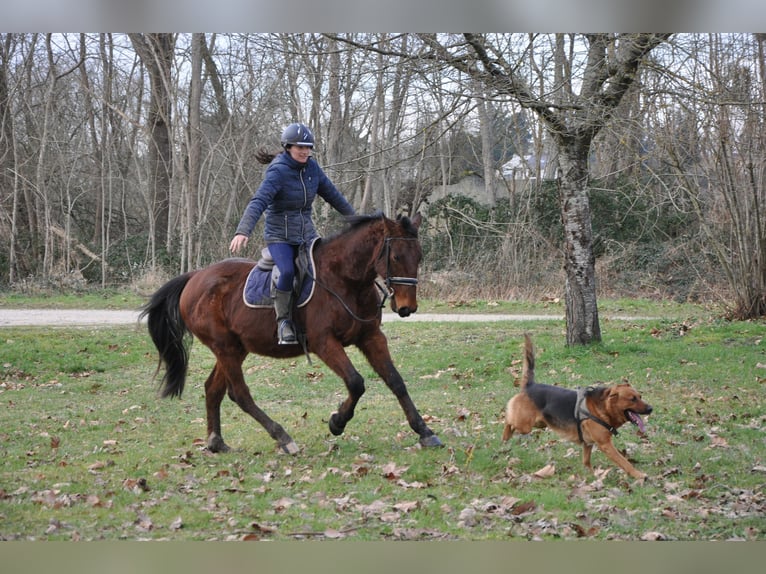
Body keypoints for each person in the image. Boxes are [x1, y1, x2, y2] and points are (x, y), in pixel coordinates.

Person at [229, 122, 356, 344]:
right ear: (288, 147)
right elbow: (259, 201)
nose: (305, 151)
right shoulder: (277, 171)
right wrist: (243, 230)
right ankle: (284, 323)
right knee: (287, 272)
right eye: (300, 147)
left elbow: (334, 196)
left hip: (307, 234)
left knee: (326, 267)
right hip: (279, 236)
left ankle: (321, 317)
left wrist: (356, 221)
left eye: (308, 147)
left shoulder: (312, 168)